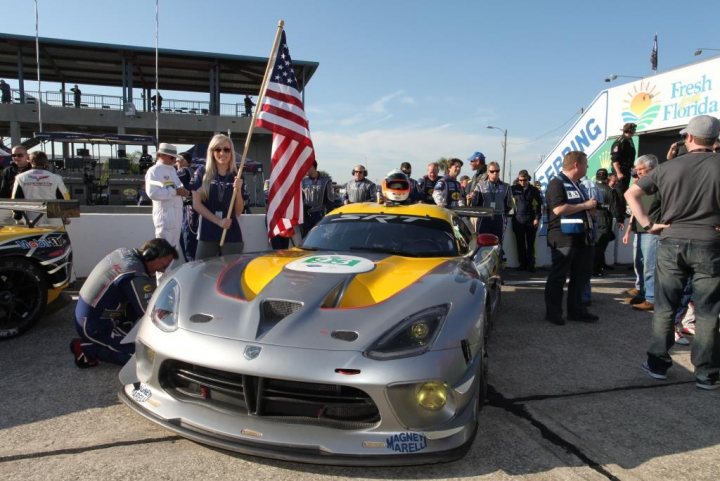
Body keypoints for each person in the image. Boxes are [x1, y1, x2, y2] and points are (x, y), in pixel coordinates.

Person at [624, 115, 720, 390]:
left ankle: (657, 365)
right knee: (707, 310)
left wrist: (648, 224)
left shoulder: (668, 167)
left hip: (671, 240)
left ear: (689, 138)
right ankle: (706, 373)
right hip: (710, 242)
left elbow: (631, 194)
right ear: (714, 140)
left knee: (666, 306)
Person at [70, 238, 178, 368]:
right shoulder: (134, 274)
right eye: (164, 265)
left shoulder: (125, 253)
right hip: (93, 325)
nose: (162, 271)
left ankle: (119, 332)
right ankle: (86, 348)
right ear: (151, 256)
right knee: (145, 357)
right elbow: (150, 313)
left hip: (92, 313)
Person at [544, 151, 598, 325]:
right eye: (585, 164)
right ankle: (553, 313)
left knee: (580, 276)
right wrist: (585, 205)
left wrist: (590, 210)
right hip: (563, 238)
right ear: (576, 165)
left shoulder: (577, 185)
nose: (587, 167)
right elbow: (558, 209)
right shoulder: (556, 183)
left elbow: (579, 209)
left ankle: (577, 311)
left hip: (582, 238)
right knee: (558, 276)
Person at [190, 134, 245, 259]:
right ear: (212, 151)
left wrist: (238, 191)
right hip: (207, 232)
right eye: (218, 149)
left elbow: (238, 211)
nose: (222, 153)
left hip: (232, 233)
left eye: (226, 149)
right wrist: (219, 221)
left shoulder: (237, 175)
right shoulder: (201, 172)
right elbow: (196, 205)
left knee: (231, 273)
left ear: (231, 152)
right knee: (202, 271)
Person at [621, 156, 660, 311]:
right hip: (640, 230)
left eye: (640, 169)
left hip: (652, 231)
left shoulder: (660, 183)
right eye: (636, 170)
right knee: (640, 264)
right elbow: (635, 209)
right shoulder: (641, 185)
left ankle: (651, 298)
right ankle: (643, 294)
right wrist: (629, 228)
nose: (637, 173)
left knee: (650, 266)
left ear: (651, 168)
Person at [145, 143, 188, 273]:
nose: (174, 161)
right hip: (164, 220)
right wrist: (175, 192)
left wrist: (183, 192)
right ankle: (160, 287)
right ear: (161, 155)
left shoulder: (172, 170)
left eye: (175, 158)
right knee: (162, 257)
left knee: (171, 256)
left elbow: (178, 188)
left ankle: (167, 285)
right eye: (171, 158)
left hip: (176, 219)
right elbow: (152, 193)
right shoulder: (153, 171)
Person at [11, 151, 70, 226]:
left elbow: (15, 199)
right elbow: (65, 197)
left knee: (33, 237)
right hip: (54, 215)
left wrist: (18, 218)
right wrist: (66, 217)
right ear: (46, 162)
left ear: (30, 161)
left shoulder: (20, 177)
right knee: (54, 237)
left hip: (31, 216)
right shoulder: (56, 178)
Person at [469, 161, 512, 244]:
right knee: (481, 241)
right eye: (492, 171)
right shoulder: (480, 185)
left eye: (497, 171)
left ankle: (498, 256)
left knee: (498, 243)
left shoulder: (506, 186)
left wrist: (502, 214)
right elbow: (475, 204)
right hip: (484, 217)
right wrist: (472, 198)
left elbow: (509, 204)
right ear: (488, 172)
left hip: (499, 217)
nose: (495, 173)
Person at [592, 168, 624, 276]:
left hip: (593, 218)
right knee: (601, 245)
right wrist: (620, 220)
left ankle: (600, 264)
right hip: (605, 218)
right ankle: (596, 269)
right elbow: (615, 207)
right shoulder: (610, 190)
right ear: (607, 177)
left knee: (598, 244)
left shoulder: (591, 187)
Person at [510, 169, 542, 271]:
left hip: (530, 220)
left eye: (524, 180)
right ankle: (522, 264)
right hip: (518, 220)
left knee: (531, 244)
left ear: (528, 179)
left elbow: (539, 205)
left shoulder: (534, 190)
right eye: (520, 180)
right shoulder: (514, 189)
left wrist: (537, 218)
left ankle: (531, 265)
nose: (522, 182)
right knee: (520, 244)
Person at [301, 160, 334, 237]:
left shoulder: (326, 181)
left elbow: (330, 201)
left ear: (312, 166)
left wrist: (328, 218)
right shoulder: (302, 181)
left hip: (319, 215)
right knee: (306, 239)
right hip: (305, 215)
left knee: (320, 238)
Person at [176, 151, 198, 262]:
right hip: (186, 208)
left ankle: (191, 266)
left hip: (189, 208)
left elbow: (169, 181)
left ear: (187, 162)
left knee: (187, 240)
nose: (177, 162)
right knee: (185, 240)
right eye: (176, 160)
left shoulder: (183, 171)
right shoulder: (191, 171)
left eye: (180, 159)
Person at [610, 122, 637, 214]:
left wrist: (633, 166)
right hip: (620, 170)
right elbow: (615, 159)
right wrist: (618, 172)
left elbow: (629, 156)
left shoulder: (629, 140)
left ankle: (622, 211)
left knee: (625, 191)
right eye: (633, 130)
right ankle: (618, 214)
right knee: (620, 192)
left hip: (627, 169)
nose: (634, 132)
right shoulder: (620, 141)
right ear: (630, 130)